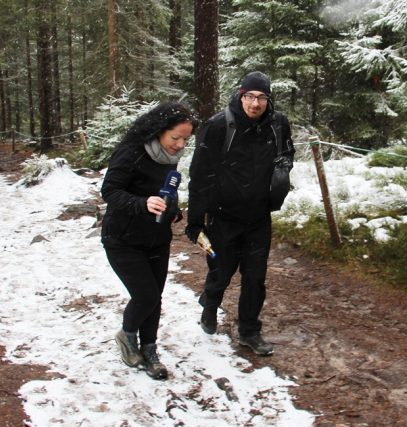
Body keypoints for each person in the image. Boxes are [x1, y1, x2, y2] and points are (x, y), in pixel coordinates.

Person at [185, 71, 295, 356]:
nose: (255, 104)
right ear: (240, 95)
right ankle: (209, 307)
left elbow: (287, 153)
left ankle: (249, 331)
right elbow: (199, 175)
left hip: (259, 217)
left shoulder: (278, 124)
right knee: (220, 271)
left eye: (261, 97)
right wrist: (195, 221)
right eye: (250, 96)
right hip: (223, 216)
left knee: (255, 277)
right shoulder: (219, 125)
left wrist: (282, 173)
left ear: (268, 99)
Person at [101, 102, 198, 380]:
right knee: (146, 295)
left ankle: (150, 348)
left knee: (155, 297)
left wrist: (172, 208)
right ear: (158, 131)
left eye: (185, 139)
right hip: (122, 238)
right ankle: (127, 335)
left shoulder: (169, 158)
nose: (180, 145)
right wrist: (142, 203)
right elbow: (110, 190)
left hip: (156, 238)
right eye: (175, 138)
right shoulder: (131, 153)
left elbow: (165, 189)